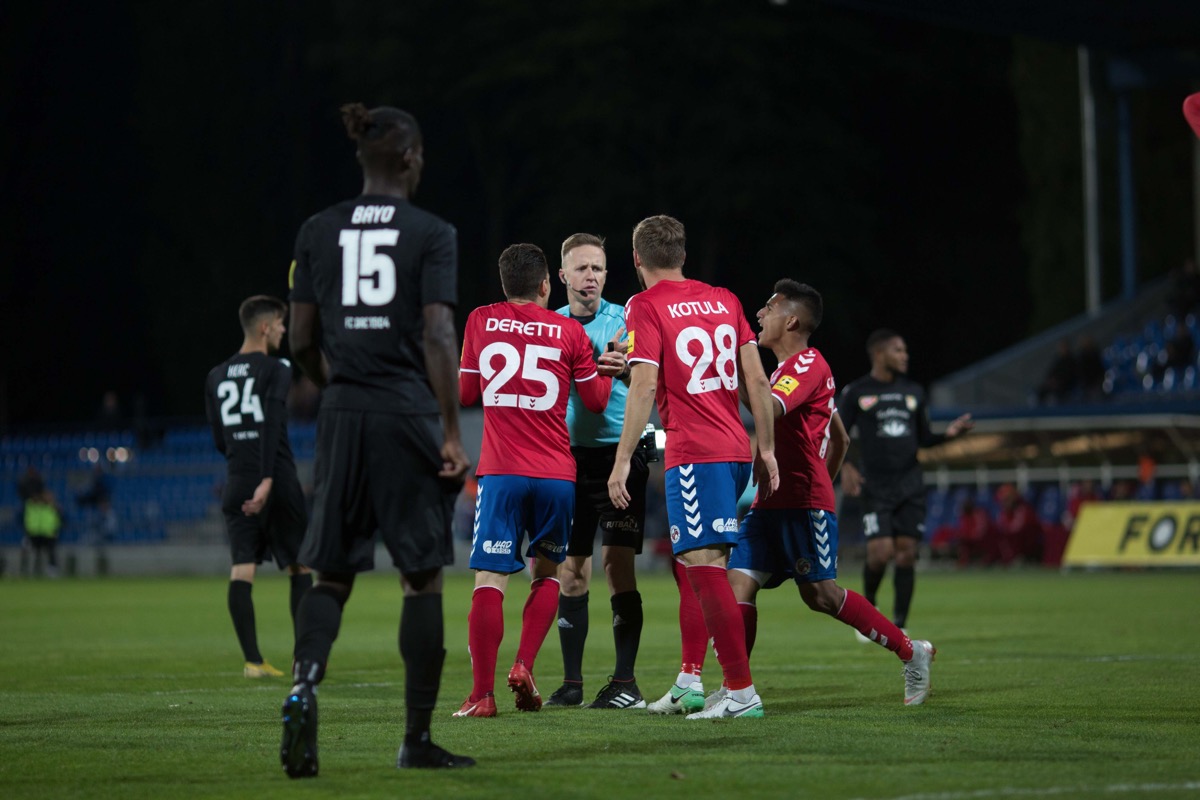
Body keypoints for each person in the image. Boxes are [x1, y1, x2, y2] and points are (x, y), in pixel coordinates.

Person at [281, 102, 474, 777]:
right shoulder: (432, 232)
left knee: (331, 573)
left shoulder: (317, 228)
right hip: (404, 414)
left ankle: (303, 684)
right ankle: (416, 740)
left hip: (342, 414)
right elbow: (438, 334)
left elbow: (299, 340)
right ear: (410, 158)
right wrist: (450, 433)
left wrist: (337, 386)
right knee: (421, 577)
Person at [725, 280, 936, 706]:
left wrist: (736, 360)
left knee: (821, 595)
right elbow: (840, 437)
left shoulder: (808, 364)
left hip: (803, 505)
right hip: (769, 505)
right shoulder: (787, 373)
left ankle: (911, 652)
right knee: (737, 587)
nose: (760, 314)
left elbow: (772, 408)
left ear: (792, 321)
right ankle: (737, 691)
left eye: (768, 307)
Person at [607, 214, 779, 720]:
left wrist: (622, 460)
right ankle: (689, 682)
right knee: (692, 565)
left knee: (704, 567)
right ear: (682, 256)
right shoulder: (725, 299)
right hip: (735, 449)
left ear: (636, 259)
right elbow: (757, 380)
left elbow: (644, 385)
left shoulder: (643, 305)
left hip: (696, 453)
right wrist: (767, 448)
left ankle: (741, 693)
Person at [455, 243, 614, 717]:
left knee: (490, 579)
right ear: (547, 284)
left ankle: (482, 696)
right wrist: (607, 368)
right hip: (556, 476)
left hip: (502, 472)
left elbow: (466, 393)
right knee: (546, 574)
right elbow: (596, 402)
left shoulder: (481, 320)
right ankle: (524, 665)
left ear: (505, 284)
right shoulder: (570, 331)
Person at [544, 233, 650, 710]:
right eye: (582, 268)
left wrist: (623, 369)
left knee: (616, 565)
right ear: (562, 275)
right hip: (568, 460)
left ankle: (626, 683)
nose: (591, 276)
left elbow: (646, 374)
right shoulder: (551, 326)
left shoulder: (626, 321)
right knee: (571, 572)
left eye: (599, 268)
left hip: (620, 458)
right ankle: (572, 684)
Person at [204, 295, 313, 679]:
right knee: (299, 564)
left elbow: (219, 439)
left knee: (242, 569)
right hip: (276, 479)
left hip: (236, 479)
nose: (284, 330)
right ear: (265, 328)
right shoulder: (277, 368)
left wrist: (246, 469)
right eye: (280, 323)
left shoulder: (216, 375)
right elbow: (271, 424)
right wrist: (267, 478)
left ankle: (253, 661)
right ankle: (303, 661)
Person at [839, 330, 973, 635]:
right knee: (879, 554)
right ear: (879, 354)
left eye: (905, 350)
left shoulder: (914, 392)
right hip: (875, 485)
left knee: (906, 553)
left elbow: (923, 438)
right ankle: (868, 611)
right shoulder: (857, 392)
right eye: (898, 350)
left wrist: (948, 435)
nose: (905, 356)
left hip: (910, 483)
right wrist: (845, 465)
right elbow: (837, 434)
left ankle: (899, 626)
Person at [23, 488, 63, 577]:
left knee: (51, 552)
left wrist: (56, 529)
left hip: (49, 533)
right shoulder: (31, 505)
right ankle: (32, 571)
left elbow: (60, 519)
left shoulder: (53, 506)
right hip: (34, 533)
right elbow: (26, 519)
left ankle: (52, 571)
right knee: (35, 553)